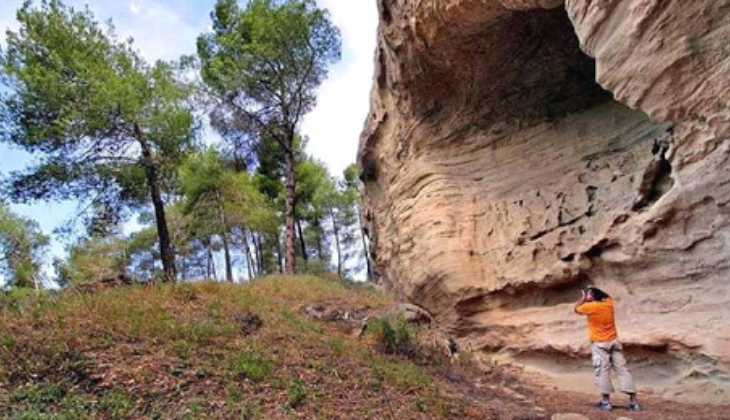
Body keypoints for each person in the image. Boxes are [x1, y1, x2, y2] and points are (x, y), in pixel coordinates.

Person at [574, 286, 641, 412]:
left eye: (589, 294)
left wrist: (583, 297)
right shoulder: (608, 303)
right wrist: (593, 291)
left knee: (602, 370)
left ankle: (606, 402)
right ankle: (634, 402)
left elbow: (576, 309)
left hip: (600, 344)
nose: (587, 296)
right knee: (623, 370)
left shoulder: (591, 307)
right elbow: (606, 295)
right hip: (614, 341)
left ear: (593, 297)